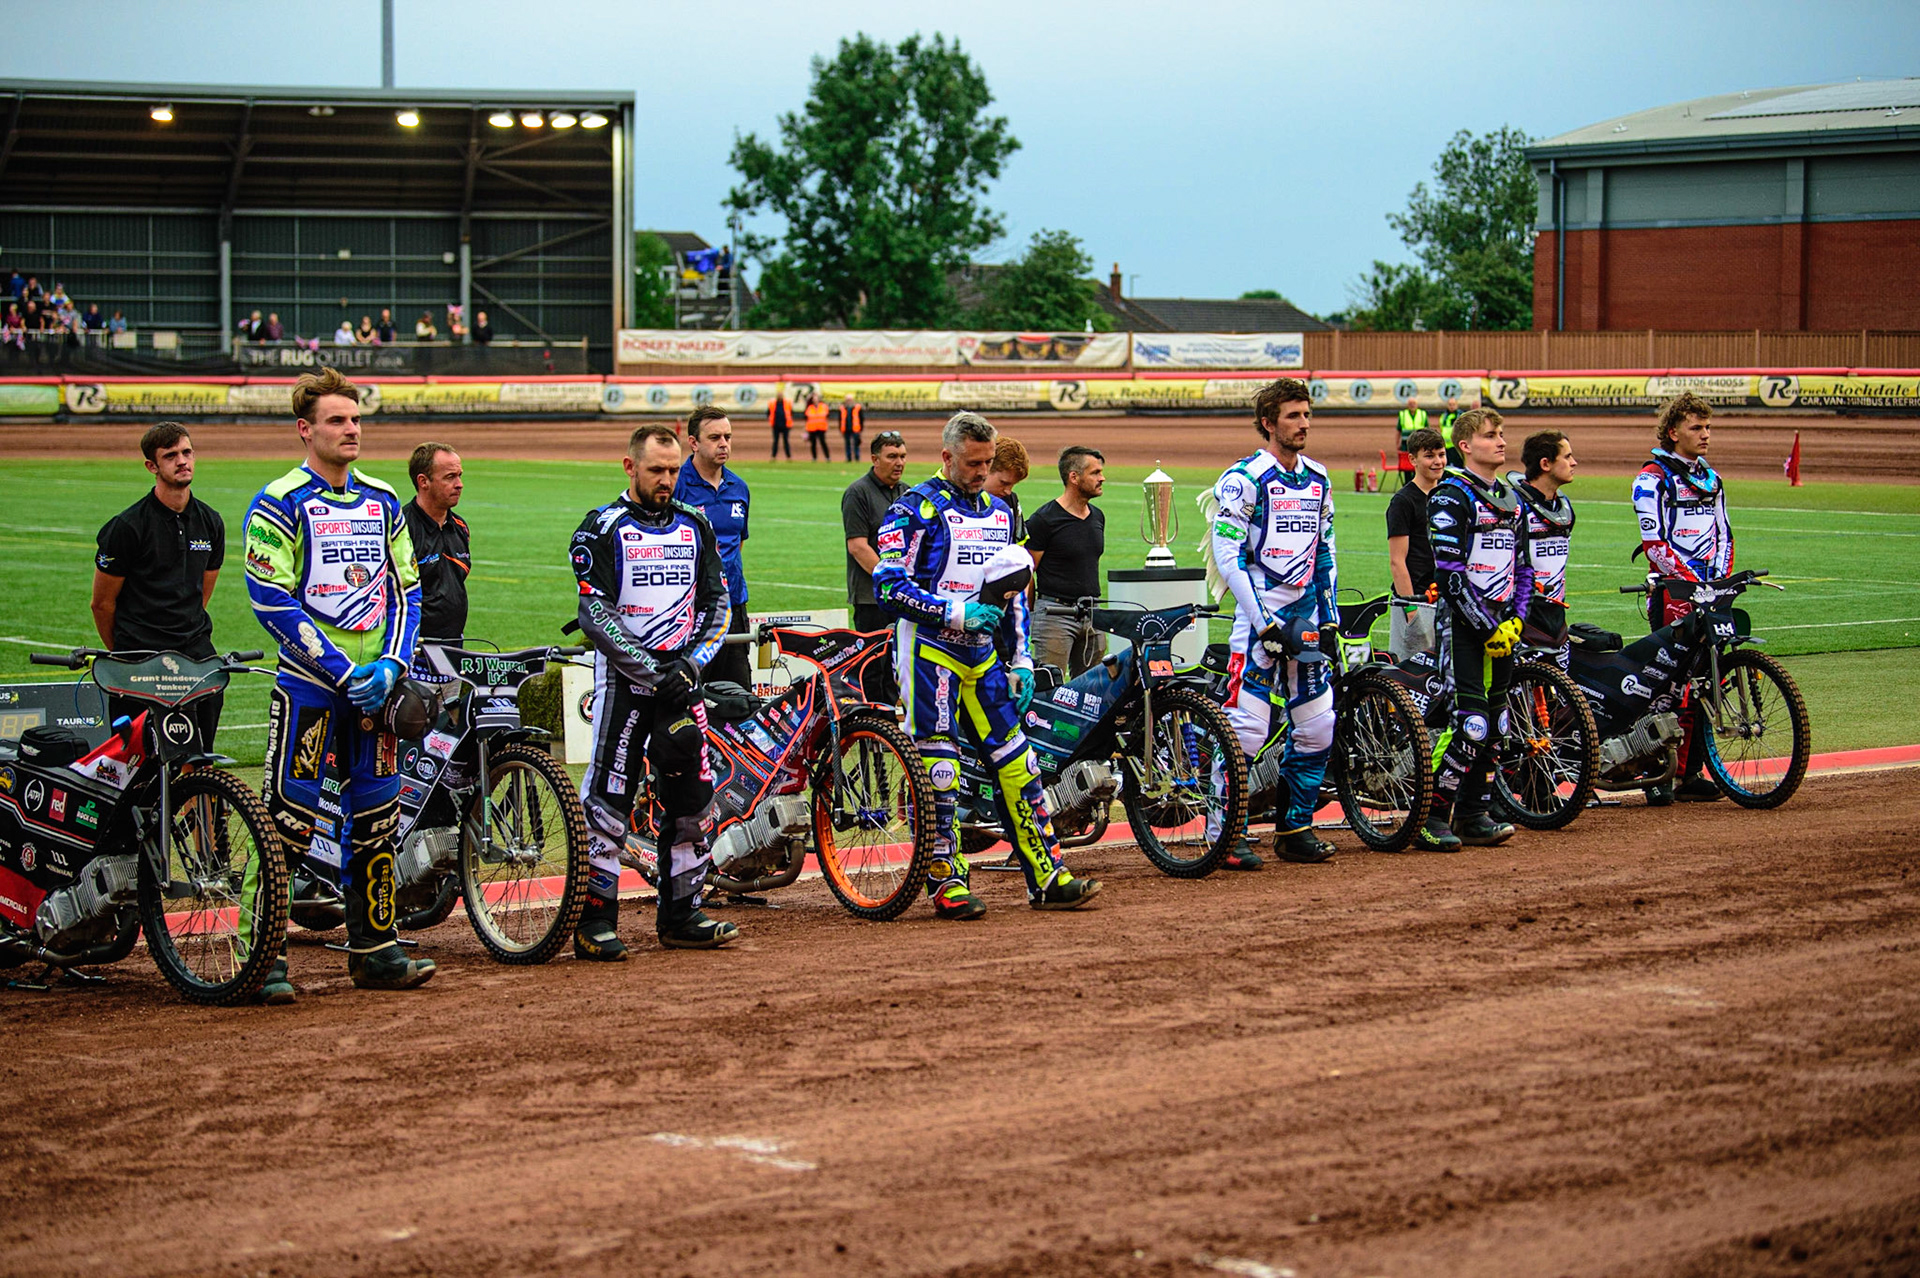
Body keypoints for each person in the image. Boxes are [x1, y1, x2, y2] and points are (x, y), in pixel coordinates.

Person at [245, 366, 433, 997]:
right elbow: (270, 598)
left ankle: (376, 951)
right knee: (287, 819)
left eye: (355, 420)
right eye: (336, 421)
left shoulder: (382, 500)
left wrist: (389, 667)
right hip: (309, 689)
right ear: (306, 430)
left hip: (376, 692)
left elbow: (407, 592)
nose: (351, 430)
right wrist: (342, 669)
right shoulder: (278, 500)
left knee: (378, 817)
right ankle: (262, 954)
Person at [872, 411, 1103, 920]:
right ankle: (946, 880)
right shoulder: (914, 510)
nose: (981, 472)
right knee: (939, 770)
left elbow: (1015, 591)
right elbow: (888, 587)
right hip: (928, 651)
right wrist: (955, 611)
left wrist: (1020, 659)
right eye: (972, 463)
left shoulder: (1001, 515)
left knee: (1020, 764)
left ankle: (1047, 876)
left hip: (986, 657)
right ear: (946, 457)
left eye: (987, 462)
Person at [570, 423, 737, 957]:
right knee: (608, 801)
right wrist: (652, 670)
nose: (666, 480)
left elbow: (718, 604)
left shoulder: (695, 525)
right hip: (626, 685)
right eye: (655, 471)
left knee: (692, 798)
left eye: (671, 471)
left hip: (682, 683)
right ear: (630, 467)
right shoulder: (601, 527)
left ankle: (682, 913)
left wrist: (691, 663)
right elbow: (594, 613)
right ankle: (594, 921)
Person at [1209, 377, 1339, 870]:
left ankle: (1295, 828)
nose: (1303, 424)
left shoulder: (1320, 478)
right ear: (1268, 423)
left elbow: (1325, 550)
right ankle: (1227, 834)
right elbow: (1228, 555)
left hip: (1305, 618)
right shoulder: (1244, 479)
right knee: (1245, 731)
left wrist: (1329, 619)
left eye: (1307, 414)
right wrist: (1263, 623)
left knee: (1318, 727)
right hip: (1258, 620)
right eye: (1293, 416)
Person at [1421, 407, 1530, 853]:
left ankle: (1473, 814)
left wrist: (1516, 619)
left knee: (1499, 724)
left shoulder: (1511, 497)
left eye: (1502, 434)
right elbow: (1449, 575)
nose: (1501, 442)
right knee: (1471, 724)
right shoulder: (1450, 495)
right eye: (1490, 435)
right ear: (1465, 446)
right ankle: (1429, 813)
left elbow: (1524, 568)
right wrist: (1487, 627)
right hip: (1464, 627)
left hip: (1503, 628)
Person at [91, 422, 227, 746]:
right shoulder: (127, 527)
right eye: (171, 456)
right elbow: (102, 603)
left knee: (200, 753)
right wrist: (124, 652)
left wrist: (184, 626)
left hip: (194, 649)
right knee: (135, 759)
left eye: (187, 452)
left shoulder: (211, 522)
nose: (182, 461)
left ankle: (195, 797)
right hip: (139, 652)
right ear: (152, 466)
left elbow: (201, 593)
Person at [1633, 391, 1733, 804]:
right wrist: (1692, 582)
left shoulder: (1713, 478)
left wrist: (1720, 578)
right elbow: (1654, 543)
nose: (1705, 434)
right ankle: (1656, 774)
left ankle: (1688, 774)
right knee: (1668, 687)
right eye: (1696, 427)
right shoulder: (1651, 478)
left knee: (1710, 682)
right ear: (1674, 432)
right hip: (1673, 592)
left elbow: (1725, 532)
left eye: (1708, 427)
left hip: (1710, 590)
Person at [673, 405, 754, 689]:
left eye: (728, 437)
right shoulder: (675, 486)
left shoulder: (739, 487)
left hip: (733, 604)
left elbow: (736, 543)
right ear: (693, 442)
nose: (723, 444)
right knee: (687, 692)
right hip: (690, 609)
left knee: (737, 693)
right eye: (715, 437)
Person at [1026, 445, 1107, 677]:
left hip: (1092, 613)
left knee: (1094, 691)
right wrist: (1030, 616)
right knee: (1051, 687)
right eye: (1095, 473)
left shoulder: (1098, 517)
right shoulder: (1044, 520)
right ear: (1074, 477)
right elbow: (1027, 572)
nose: (1102, 478)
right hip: (1055, 615)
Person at [1514, 431, 1577, 671]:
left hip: (1557, 616)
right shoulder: (1516, 506)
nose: (1574, 463)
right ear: (1545, 464)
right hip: (1524, 616)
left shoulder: (1565, 506)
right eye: (1567, 456)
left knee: (1563, 698)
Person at [403, 443, 471, 643]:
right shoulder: (402, 529)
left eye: (460, 475)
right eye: (450, 477)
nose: (459, 484)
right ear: (423, 481)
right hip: (414, 649)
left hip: (453, 644)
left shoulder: (460, 527)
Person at [843, 430, 908, 634]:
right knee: (875, 662)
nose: (899, 463)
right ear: (875, 459)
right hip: (871, 597)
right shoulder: (858, 493)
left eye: (902, 456)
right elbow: (857, 546)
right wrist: (889, 579)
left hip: (904, 594)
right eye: (892, 457)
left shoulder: (908, 493)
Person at [1386, 427, 1447, 600]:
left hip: (1445, 598)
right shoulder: (1403, 501)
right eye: (1429, 456)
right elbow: (1397, 561)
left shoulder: (1449, 496)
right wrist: (1410, 607)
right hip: (1417, 597)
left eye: (1441, 455)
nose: (1438, 461)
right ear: (1413, 459)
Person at [984, 437, 1030, 542]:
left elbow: (1019, 547)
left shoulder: (1010, 501)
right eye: (1004, 483)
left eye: (1013, 485)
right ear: (986, 468)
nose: (1008, 491)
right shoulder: (955, 499)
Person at [767, 379, 793, 460]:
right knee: (775, 441)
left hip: (785, 425)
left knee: (786, 441)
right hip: (776, 425)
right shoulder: (772, 403)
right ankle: (773, 456)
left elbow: (791, 413)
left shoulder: (787, 403)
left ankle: (788, 456)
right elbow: (768, 413)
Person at [1436, 393, 1464, 468]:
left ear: (1457, 405)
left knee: (1458, 467)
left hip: (1457, 446)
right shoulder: (1443, 416)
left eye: (1453, 404)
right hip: (1446, 446)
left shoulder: (1461, 416)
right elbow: (1441, 429)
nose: (1451, 406)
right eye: (1450, 404)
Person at [836, 394, 865, 462]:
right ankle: (848, 458)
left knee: (856, 444)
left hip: (855, 428)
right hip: (846, 429)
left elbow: (861, 419)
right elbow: (840, 419)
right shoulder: (842, 408)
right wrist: (840, 428)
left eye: (850, 400)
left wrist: (861, 428)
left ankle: (857, 457)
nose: (849, 401)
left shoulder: (857, 408)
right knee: (847, 444)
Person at [803, 390, 831, 461]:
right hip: (812, 428)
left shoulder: (823, 406)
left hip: (821, 428)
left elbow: (827, 416)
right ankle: (814, 457)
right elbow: (806, 417)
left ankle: (827, 457)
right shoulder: (809, 408)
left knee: (823, 443)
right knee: (813, 444)